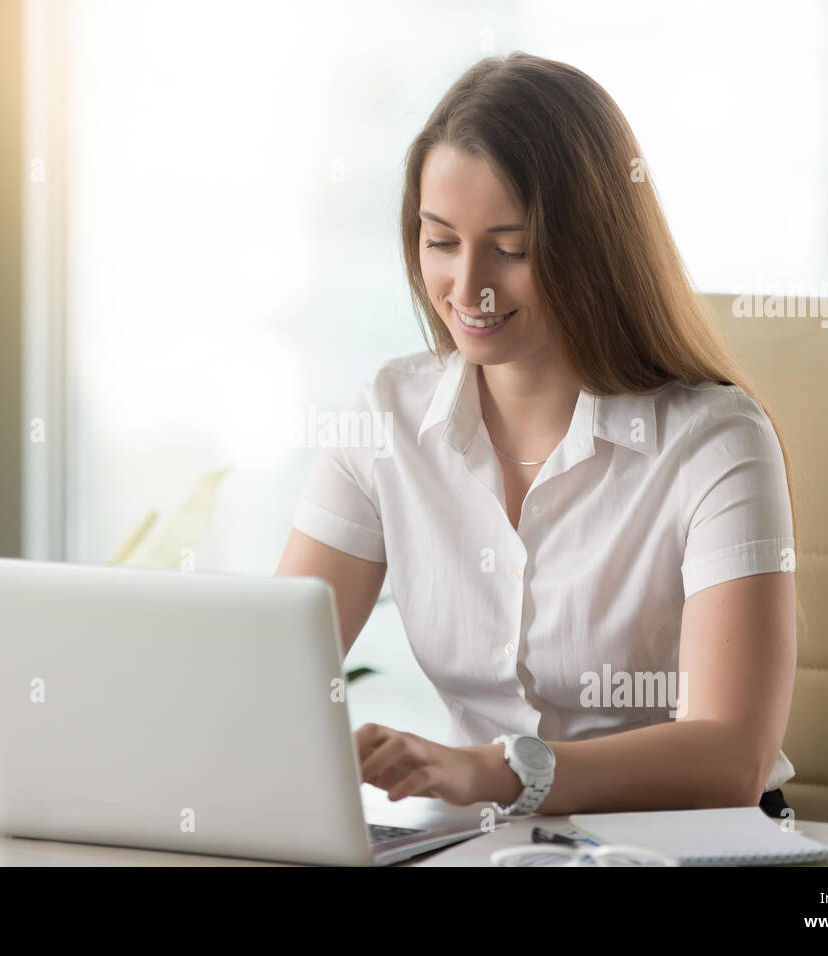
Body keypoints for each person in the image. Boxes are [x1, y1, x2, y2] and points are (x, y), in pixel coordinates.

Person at [276, 53, 799, 820]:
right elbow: (269, 676)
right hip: (484, 845)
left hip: (681, 846)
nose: (469, 286)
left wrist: (493, 772)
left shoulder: (715, 444)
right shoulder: (384, 419)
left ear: (591, 247)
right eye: (441, 241)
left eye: (511, 249)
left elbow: (731, 758)